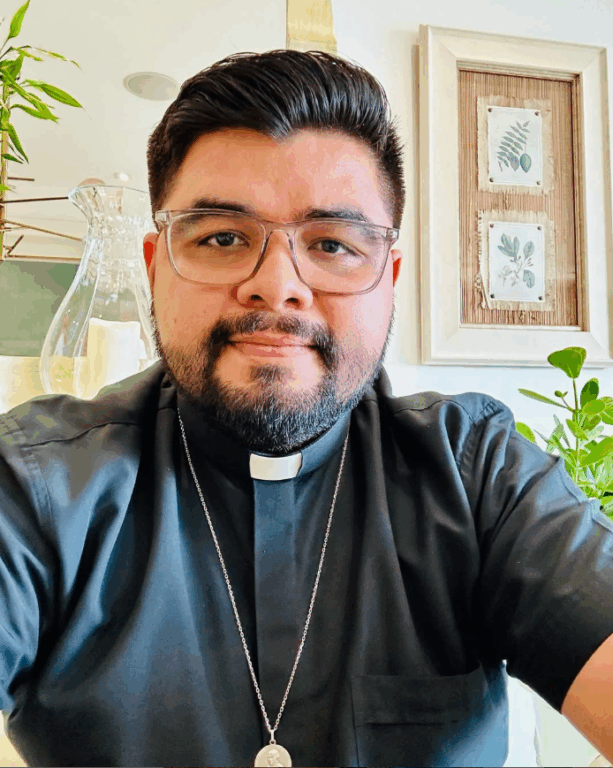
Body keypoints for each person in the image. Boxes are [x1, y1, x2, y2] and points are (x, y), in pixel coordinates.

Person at [0, 48, 612, 768]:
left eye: (331, 244)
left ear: (388, 279)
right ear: (155, 267)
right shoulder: (36, 489)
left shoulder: (478, 473)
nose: (277, 284)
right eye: (222, 237)